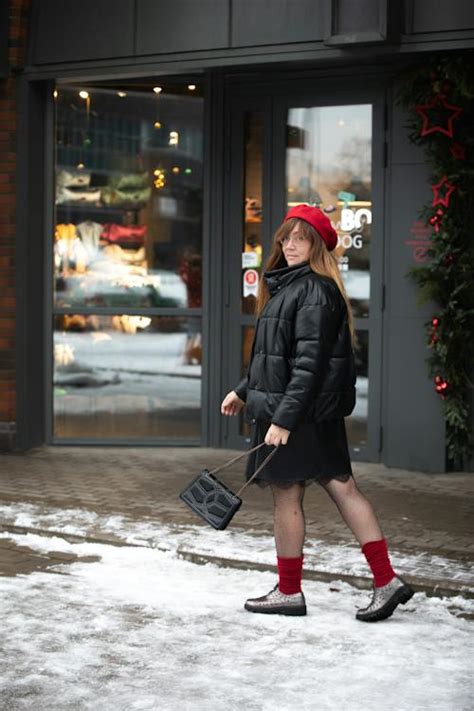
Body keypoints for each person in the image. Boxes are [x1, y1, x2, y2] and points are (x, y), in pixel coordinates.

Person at [221, 204, 414, 622]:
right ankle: (387, 580)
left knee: (288, 497)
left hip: (296, 414)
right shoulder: (297, 288)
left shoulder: (310, 290)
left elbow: (307, 365)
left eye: (300, 238)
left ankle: (290, 592)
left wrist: (284, 420)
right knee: (343, 488)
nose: (290, 245)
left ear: (318, 245)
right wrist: (242, 390)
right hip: (310, 411)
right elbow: (277, 358)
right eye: (286, 237)